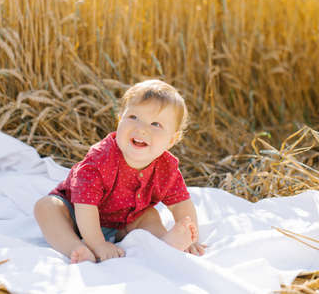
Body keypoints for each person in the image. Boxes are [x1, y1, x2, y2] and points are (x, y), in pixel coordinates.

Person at [34, 79, 206, 264]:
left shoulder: (167, 167)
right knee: (46, 207)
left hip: (123, 222)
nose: (141, 129)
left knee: (149, 216)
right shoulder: (100, 160)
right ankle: (76, 247)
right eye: (133, 117)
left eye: (155, 124)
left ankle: (164, 242)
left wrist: (192, 236)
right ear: (120, 119)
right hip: (75, 212)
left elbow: (181, 204)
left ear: (171, 140)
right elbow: (85, 206)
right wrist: (98, 244)